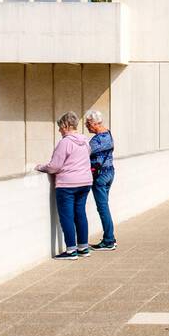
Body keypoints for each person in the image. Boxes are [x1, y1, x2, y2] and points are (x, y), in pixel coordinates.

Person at [36, 111, 93, 259]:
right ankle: (83, 248)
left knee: (67, 216)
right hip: (85, 182)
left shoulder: (65, 142)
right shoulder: (85, 141)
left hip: (67, 185)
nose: (60, 130)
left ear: (66, 125)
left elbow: (54, 166)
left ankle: (71, 251)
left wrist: (41, 167)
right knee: (80, 214)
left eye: (60, 127)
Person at [85, 110, 117, 251]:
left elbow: (83, 152)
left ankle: (109, 240)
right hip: (110, 172)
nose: (86, 126)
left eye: (87, 124)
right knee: (104, 207)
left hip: (100, 176)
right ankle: (110, 238)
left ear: (94, 123)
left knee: (103, 208)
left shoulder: (98, 140)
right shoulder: (108, 133)